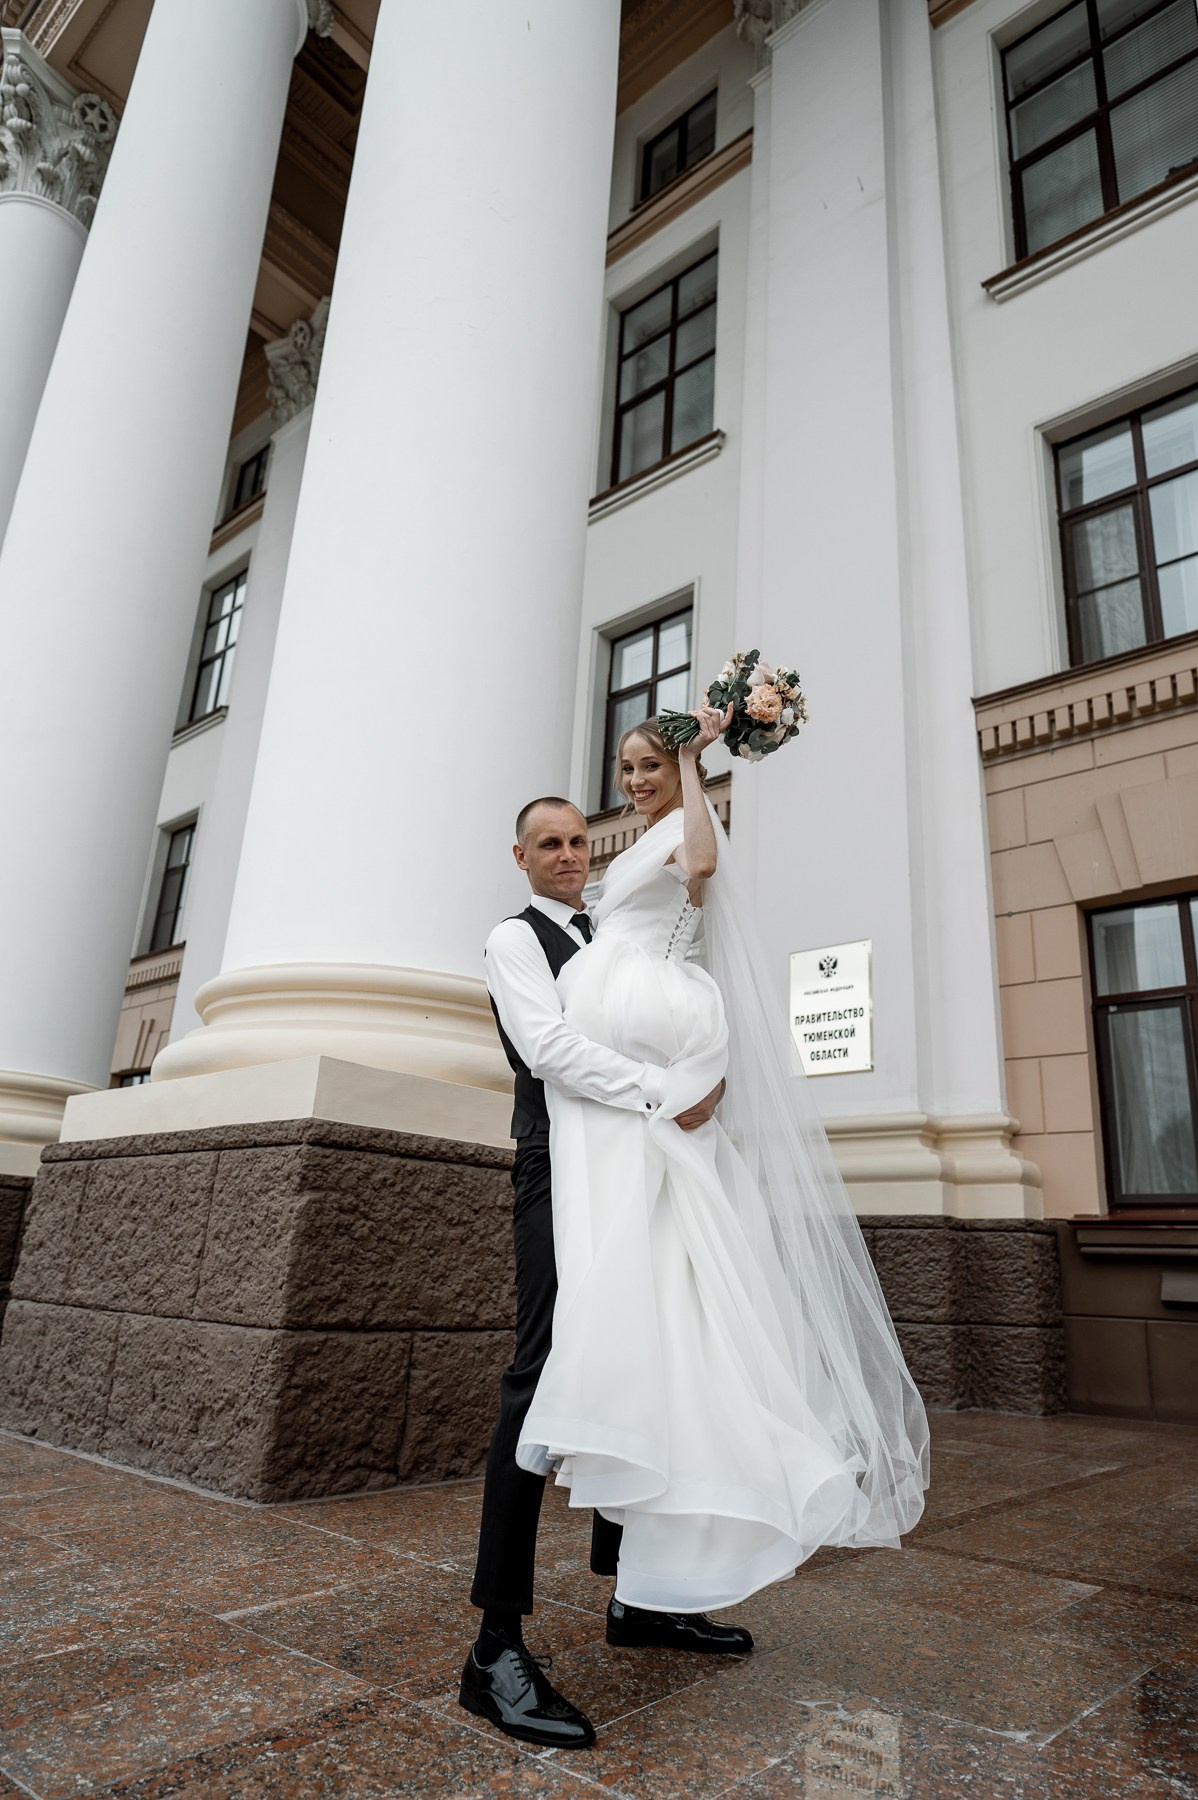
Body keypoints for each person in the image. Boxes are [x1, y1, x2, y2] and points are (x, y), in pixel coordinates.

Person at [517, 706, 929, 1617]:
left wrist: (698, 767)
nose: (634, 781)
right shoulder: (623, 851)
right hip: (616, 1083)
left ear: (677, 766)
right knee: (659, 1269)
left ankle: (690, 1524)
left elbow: (699, 871)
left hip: (651, 1041)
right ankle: (655, 1567)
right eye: (625, 768)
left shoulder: (687, 826)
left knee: (675, 1272)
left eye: (647, 766)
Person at [460, 796, 741, 1752]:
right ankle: (494, 1646)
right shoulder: (514, 941)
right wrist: (665, 1092)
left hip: (637, 1163)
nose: (571, 855)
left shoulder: (613, 933)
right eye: (551, 844)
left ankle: (641, 1596)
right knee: (538, 1379)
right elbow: (548, 1050)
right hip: (557, 1173)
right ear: (521, 857)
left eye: (581, 840)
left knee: (647, 1360)